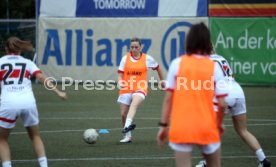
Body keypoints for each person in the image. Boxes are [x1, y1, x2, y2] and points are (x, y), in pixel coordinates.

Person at [157, 22, 228, 167]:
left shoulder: (177, 64)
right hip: (206, 126)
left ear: (189, 40)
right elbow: (222, 103)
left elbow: (168, 100)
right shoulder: (214, 67)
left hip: (181, 126)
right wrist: (219, 124)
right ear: (207, 42)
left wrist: (163, 126)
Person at [0, 37, 67, 167]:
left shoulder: (0, 62)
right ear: (20, 50)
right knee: (35, 136)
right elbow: (41, 78)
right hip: (28, 102)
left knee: (2, 139)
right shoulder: (27, 62)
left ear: (6, 49)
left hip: (9, 103)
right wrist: (59, 92)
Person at [195, 54, 271, 167]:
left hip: (224, 92)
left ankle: (207, 162)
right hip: (237, 90)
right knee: (243, 130)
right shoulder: (220, 57)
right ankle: (263, 159)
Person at [117, 37, 165, 143]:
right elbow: (120, 74)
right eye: (132, 47)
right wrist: (120, 81)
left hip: (140, 88)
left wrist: (162, 81)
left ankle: (127, 126)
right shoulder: (125, 59)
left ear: (140, 47)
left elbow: (158, 68)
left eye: (136, 47)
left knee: (134, 103)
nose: (134, 49)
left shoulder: (147, 58)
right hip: (126, 88)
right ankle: (128, 136)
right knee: (123, 113)